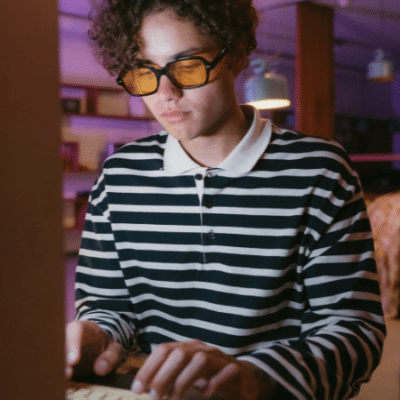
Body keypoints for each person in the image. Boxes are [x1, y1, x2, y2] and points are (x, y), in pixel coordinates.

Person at [65, 1, 386, 399]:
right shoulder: (119, 175)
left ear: (235, 54)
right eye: (143, 72)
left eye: (187, 66)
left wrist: (252, 377)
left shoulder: (320, 170)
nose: (166, 93)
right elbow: (110, 306)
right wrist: (96, 332)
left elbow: (353, 332)